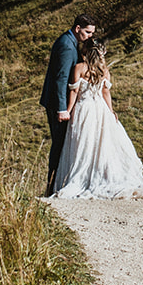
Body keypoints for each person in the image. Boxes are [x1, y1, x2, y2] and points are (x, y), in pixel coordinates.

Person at [51, 38, 143, 199]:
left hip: (84, 109)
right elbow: (105, 93)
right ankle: (102, 174)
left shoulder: (79, 68)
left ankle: (83, 176)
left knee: (84, 144)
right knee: (103, 143)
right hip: (100, 109)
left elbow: (74, 92)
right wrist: (111, 111)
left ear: (85, 52)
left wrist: (67, 110)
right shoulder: (104, 70)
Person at [41, 13, 96, 195]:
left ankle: (56, 184)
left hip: (60, 102)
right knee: (59, 144)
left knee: (62, 143)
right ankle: (51, 186)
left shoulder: (69, 41)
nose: (90, 37)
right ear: (78, 28)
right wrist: (62, 109)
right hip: (58, 104)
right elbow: (61, 79)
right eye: (87, 32)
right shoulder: (66, 46)